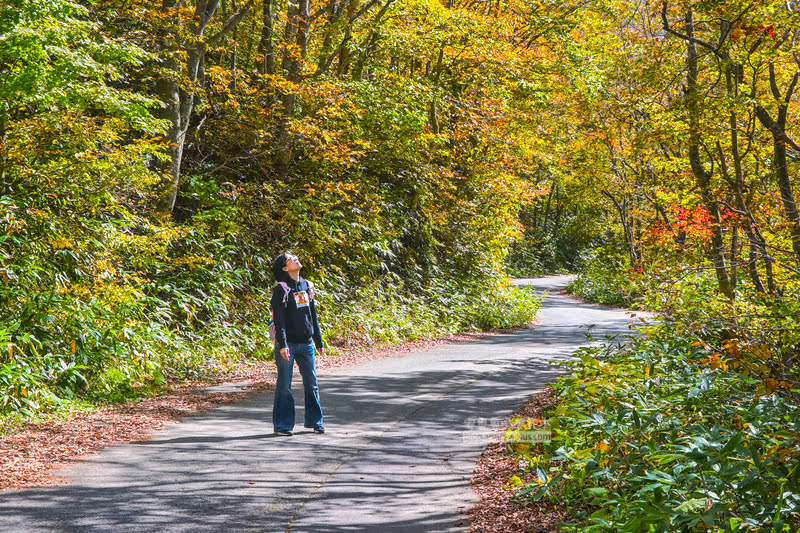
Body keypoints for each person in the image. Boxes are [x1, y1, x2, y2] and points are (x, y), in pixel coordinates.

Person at [270, 252, 325, 436]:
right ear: (285, 268)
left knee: (312, 383)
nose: (295, 258)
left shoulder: (307, 285)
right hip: (288, 345)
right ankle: (283, 426)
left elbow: (312, 314)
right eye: (289, 259)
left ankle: (315, 422)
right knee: (285, 385)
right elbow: (280, 321)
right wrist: (283, 344)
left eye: (294, 256)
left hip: (306, 343)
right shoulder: (281, 289)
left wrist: (318, 339)